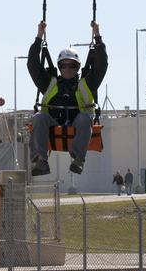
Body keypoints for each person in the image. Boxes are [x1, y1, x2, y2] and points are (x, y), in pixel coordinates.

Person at [28, 20, 108, 176]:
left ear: (77, 67)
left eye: (71, 65)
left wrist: (97, 36)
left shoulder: (87, 84)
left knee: (85, 118)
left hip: (76, 123)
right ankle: (40, 161)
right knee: (38, 117)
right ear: (59, 67)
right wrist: (39, 36)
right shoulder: (49, 83)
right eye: (63, 65)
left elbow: (102, 65)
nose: (67, 69)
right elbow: (32, 64)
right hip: (53, 123)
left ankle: (78, 160)